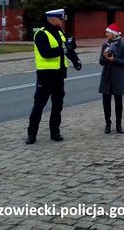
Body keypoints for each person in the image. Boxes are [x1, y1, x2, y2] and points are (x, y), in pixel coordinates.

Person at [26, 9, 82, 145]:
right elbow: (46, 53)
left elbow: (68, 50)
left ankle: (55, 132)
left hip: (59, 76)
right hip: (45, 76)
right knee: (38, 106)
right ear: (52, 19)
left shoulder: (59, 33)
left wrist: (76, 60)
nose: (61, 22)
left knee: (57, 106)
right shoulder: (40, 34)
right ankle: (31, 134)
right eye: (60, 19)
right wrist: (64, 49)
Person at [99, 23, 124, 134]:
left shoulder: (123, 45)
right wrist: (105, 57)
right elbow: (101, 62)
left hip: (118, 77)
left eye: (107, 32)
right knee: (106, 102)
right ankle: (108, 123)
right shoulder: (105, 45)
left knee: (118, 102)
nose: (105, 34)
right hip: (106, 77)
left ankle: (118, 124)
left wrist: (114, 60)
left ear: (113, 34)